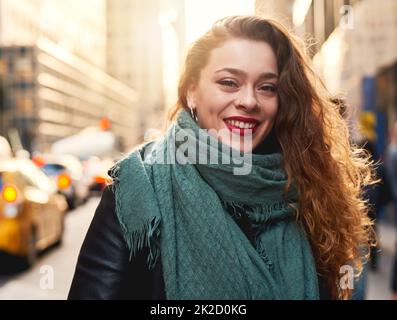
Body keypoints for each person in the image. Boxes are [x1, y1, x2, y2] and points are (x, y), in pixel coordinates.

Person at [68, 15, 375, 300]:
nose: (248, 101)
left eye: (267, 87)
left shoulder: (309, 188)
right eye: (229, 82)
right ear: (191, 92)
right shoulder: (137, 189)